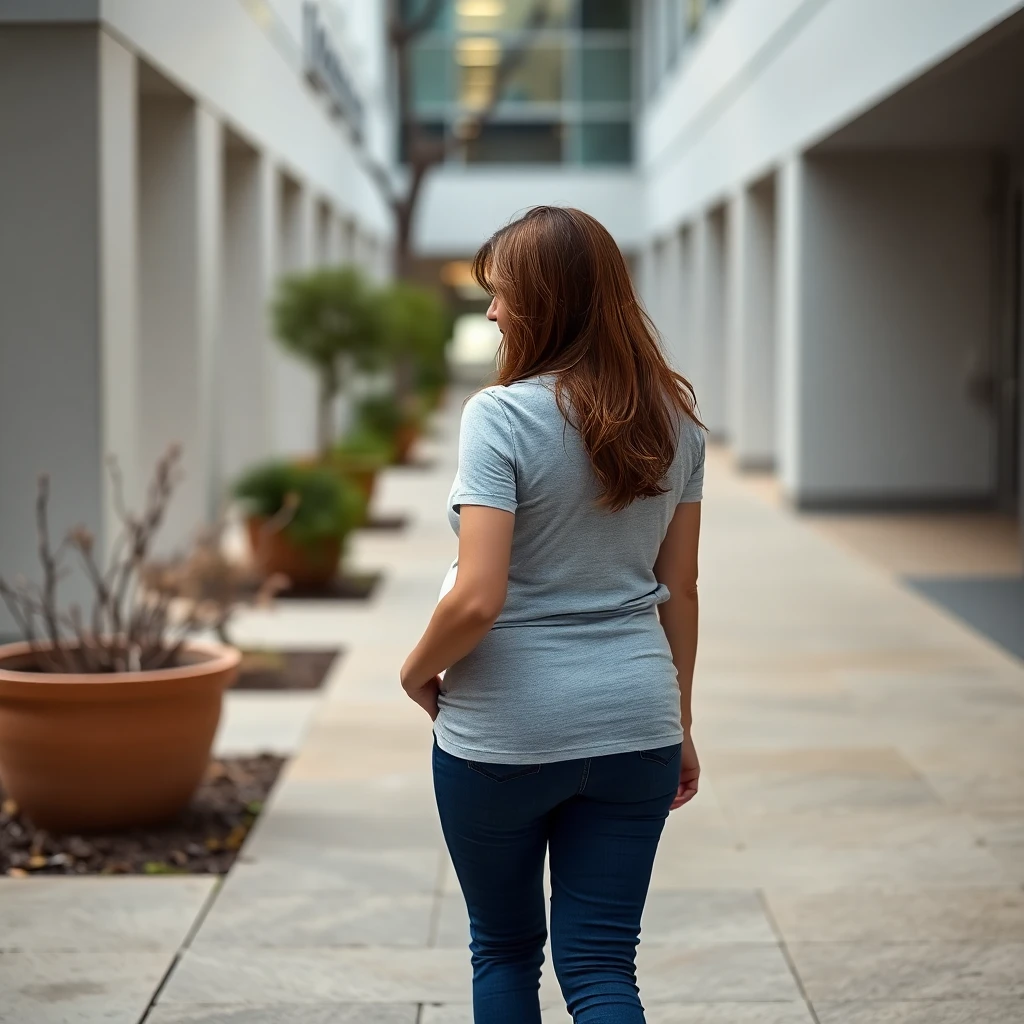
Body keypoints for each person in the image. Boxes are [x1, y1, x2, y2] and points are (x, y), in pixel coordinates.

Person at [400, 206, 705, 1023]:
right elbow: (681, 588)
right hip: (636, 721)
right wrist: (677, 719)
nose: (492, 312)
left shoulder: (499, 417)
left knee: (503, 950)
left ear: (545, 301)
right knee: (603, 968)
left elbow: (478, 594)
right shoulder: (676, 425)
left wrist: (414, 667)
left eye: (501, 295)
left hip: (505, 729)